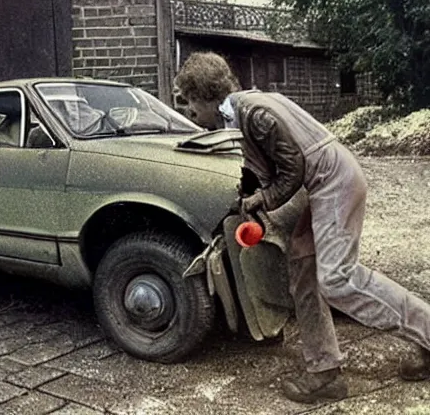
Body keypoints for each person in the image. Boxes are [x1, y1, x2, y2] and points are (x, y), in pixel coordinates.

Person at [175, 51, 430, 404]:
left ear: (206, 95)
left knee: (338, 279)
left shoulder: (254, 113)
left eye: (190, 103)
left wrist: (261, 200)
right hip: (322, 184)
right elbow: (272, 162)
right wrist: (249, 191)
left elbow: (292, 169)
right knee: (304, 273)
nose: (191, 113)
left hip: (334, 182)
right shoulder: (249, 107)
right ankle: (325, 372)